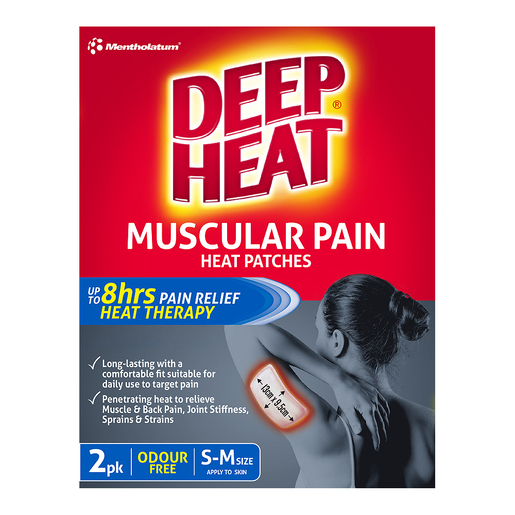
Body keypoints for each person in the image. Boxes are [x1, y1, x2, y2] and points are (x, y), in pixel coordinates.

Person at [224, 274, 435, 487]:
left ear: (337, 341)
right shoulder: (433, 425)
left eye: (319, 329)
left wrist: (337, 379)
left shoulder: (326, 433)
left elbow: (237, 326)